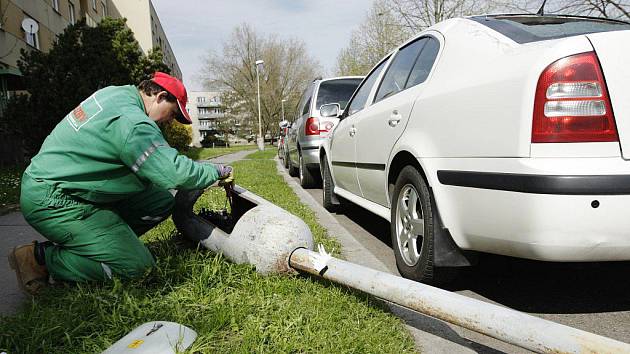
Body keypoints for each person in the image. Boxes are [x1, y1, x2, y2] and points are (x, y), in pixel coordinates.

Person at [9, 72, 233, 294]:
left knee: (161, 201)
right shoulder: (133, 123)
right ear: (160, 96)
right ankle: (40, 258)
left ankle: (107, 246)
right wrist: (214, 171)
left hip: (67, 186)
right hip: (56, 200)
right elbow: (175, 172)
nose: (170, 121)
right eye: (173, 113)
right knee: (137, 268)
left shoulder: (116, 94)